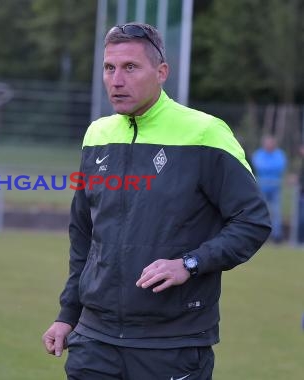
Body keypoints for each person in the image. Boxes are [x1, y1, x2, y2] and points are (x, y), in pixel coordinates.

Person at [42, 22, 271, 379]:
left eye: (130, 67)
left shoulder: (205, 133)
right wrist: (67, 315)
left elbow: (252, 221)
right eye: (109, 68)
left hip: (172, 344)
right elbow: (84, 236)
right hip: (94, 341)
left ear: (161, 72)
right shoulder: (97, 134)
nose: (116, 80)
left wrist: (190, 263)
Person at [251, 135, 287, 243]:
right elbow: (259, 166)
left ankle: (277, 236)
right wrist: (270, 169)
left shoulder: (279, 154)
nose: (269, 145)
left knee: (276, 212)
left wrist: (267, 169)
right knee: (260, 212)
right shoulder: (259, 154)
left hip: (276, 188)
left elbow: (279, 167)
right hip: (261, 189)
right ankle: (259, 236)